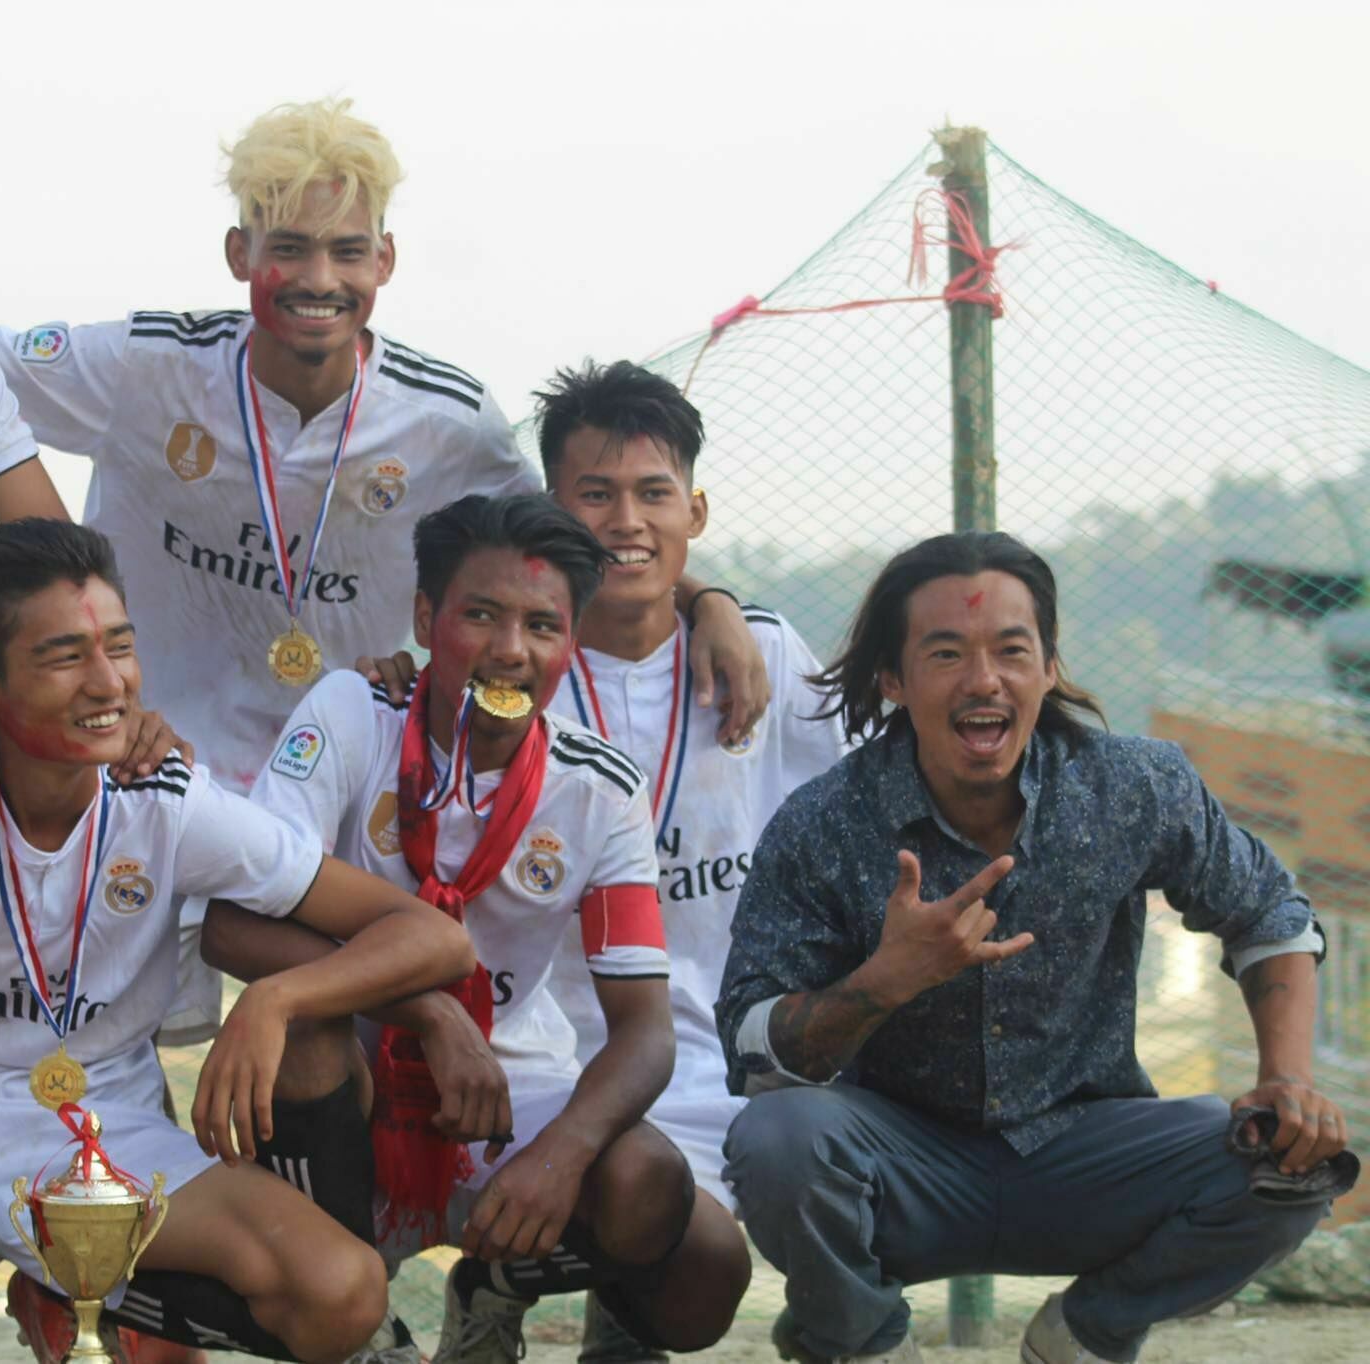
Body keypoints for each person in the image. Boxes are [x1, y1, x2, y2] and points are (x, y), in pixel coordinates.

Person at [0, 96, 769, 1064]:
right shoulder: (148, 363)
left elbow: (568, 548)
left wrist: (704, 599)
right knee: (87, 1048)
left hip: (339, 779)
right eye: (287, 248)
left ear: (385, 260)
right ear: (238, 253)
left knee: (318, 1041)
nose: (318, 279)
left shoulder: (447, 415)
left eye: (346, 251)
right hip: (146, 763)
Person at [0, 519, 476, 1364]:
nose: (110, 682)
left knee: (345, 1293)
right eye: (65, 657)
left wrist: (279, 997)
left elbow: (434, 938)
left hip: (106, 1129)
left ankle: (77, 1292)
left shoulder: (164, 796)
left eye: (120, 646)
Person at [715, 530, 1347, 1364]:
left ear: (1049, 666)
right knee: (778, 1139)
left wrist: (1289, 1080)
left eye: (1011, 650)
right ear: (894, 679)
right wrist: (883, 982)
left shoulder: (1135, 785)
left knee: (1293, 1162)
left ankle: (1087, 1334)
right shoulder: (823, 822)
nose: (984, 680)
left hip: (1087, 1157)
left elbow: (1271, 914)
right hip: (900, 1173)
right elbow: (749, 1042)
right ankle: (859, 1340)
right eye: (946, 654)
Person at [402, 361, 848, 1361]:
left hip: (710, 1055)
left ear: (695, 508)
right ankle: (502, 1288)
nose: (626, 521)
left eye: (653, 493)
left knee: (695, 1292)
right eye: (594, 494)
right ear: (551, 508)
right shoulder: (513, 663)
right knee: (632, 1205)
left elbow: (868, 799)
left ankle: (593, 1305)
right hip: (546, 1054)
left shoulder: (763, 655)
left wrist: (713, 601)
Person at [209, 493, 720, 1363]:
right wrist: (431, 1014)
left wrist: (562, 1156)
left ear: (572, 642)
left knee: (671, 1217)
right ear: (424, 619)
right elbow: (231, 923)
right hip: (346, 1093)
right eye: (480, 615)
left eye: (542, 626)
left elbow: (645, 1031)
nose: (510, 650)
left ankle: (496, 1287)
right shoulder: (351, 715)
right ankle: (359, 1323)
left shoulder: (601, 787)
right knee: (300, 1025)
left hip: (508, 1094)